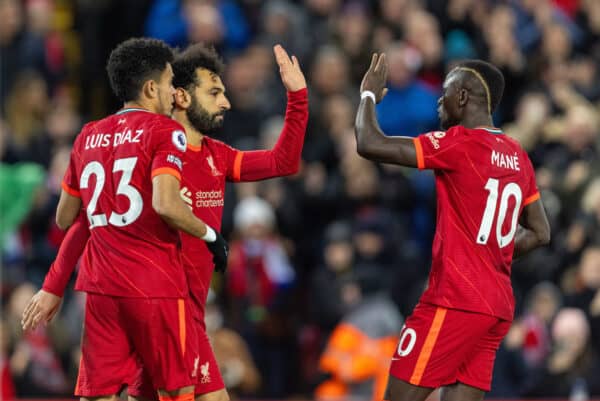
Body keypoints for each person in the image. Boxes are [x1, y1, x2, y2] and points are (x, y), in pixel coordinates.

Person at [22, 42, 308, 401]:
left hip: (159, 305)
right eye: (215, 92)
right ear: (181, 96)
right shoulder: (158, 144)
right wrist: (209, 235)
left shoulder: (215, 157)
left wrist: (298, 96)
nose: (225, 103)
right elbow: (86, 223)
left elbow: (283, 162)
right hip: (164, 303)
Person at [354, 54, 551, 401]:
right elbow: (539, 232)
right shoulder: (518, 155)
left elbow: (369, 143)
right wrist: (492, 254)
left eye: (445, 93)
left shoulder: (459, 142)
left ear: (462, 97)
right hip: (497, 305)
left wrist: (367, 95)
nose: (439, 101)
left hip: (456, 299)